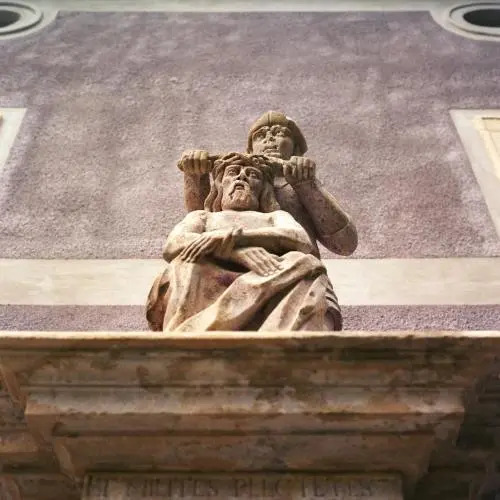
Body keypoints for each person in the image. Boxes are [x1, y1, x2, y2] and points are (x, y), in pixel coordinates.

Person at [176, 111, 357, 330]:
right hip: (231, 271)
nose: (270, 139)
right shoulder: (238, 182)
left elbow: (345, 243)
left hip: (294, 278)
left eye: (280, 133)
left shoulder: (298, 186)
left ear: (296, 147)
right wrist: (195, 175)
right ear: (250, 148)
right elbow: (200, 230)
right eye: (261, 135)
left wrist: (307, 185)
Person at [152, 153, 329, 332]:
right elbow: (173, 244)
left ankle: (274, 333)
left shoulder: (275, 216)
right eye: (232, 172)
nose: (242, 176)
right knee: (184, 264)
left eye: (253, 175)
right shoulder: (203, 217)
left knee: (307, 264)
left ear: (263, 190)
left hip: (268, 272)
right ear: (220, 185)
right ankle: (192, 329)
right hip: (211, 272)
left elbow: (301, 240)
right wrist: (235, 252)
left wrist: (237, 237)